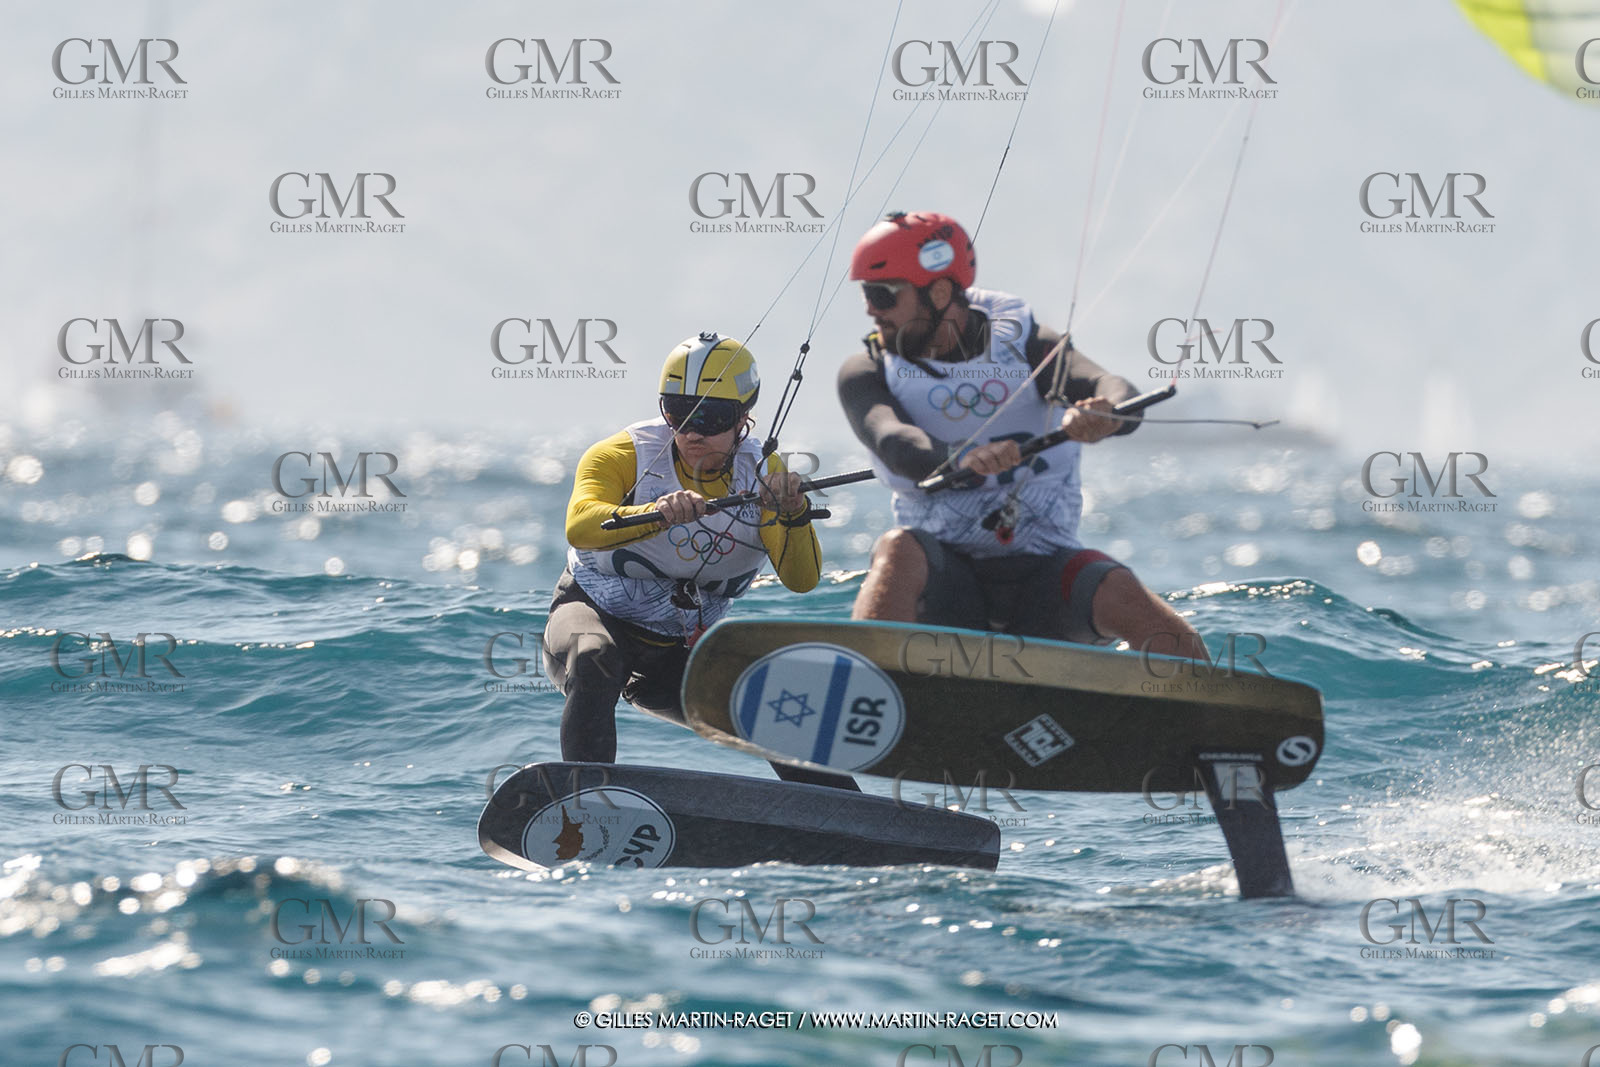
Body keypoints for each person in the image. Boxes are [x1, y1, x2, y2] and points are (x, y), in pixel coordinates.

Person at [837, 211, 1206, 659]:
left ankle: (1214, 712)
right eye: (866, 295)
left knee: (1123, 589)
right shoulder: (866, 371)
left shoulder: (1029, 344)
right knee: (896, 551)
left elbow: (1112, 388)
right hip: (943, 578)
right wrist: (960, 459)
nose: (870, 310)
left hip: (1045, 574)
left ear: (937, 291)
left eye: (882, 294)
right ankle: (865, 686)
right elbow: (893, 442)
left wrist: (1104, 414)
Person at [544, 331, 859, 789]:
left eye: (710, 418)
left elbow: (802, 580)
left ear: (743, 420)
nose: (691, 433)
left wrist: (792, 514)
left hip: (678, 652)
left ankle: (854, 822)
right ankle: (587, 802)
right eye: (677, 412)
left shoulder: (766, 476)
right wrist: (655, 514)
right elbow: (580, 524)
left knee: (775, 710)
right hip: (593, 617)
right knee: (596, 659)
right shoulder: (622, 455)